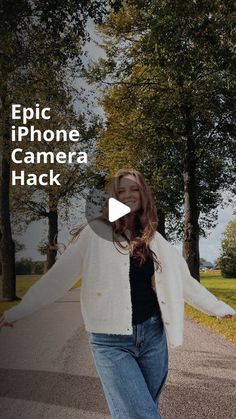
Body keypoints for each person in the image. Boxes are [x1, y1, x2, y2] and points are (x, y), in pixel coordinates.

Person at [0, 169, 235, 419]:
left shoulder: (154, 238)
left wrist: (219, 308)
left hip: (152, 337)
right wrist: (21, 310)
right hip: (109, 343)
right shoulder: (95, 233)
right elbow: (59, 278)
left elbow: (184, 282)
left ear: (144, 195)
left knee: (141, 409)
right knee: (141, 414)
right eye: (121, 191)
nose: (128, 195)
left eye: (134, 189)